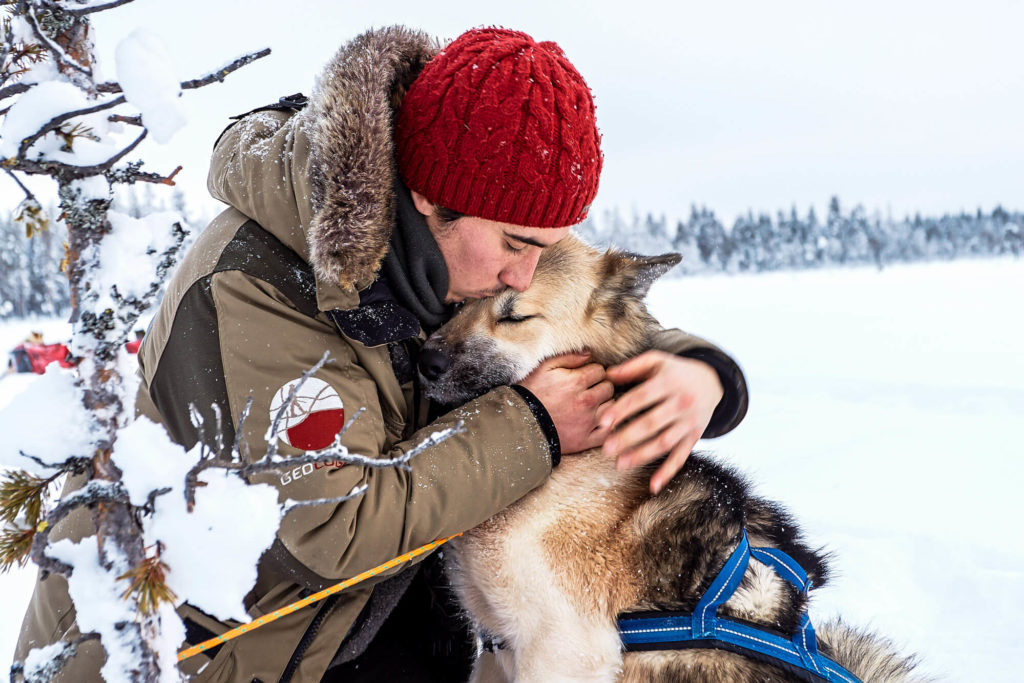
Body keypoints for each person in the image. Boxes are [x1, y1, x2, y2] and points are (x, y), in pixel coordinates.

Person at [15, 26, 747, 681]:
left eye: (543, 247)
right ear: (431, 198)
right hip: (191, 650)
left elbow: (581, 300)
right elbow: (329, 528)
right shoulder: (261, 286)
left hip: (352, 624)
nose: (523, 276)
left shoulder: (456, 244)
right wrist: (536, 425)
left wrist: (697, 368)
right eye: (517, 245)